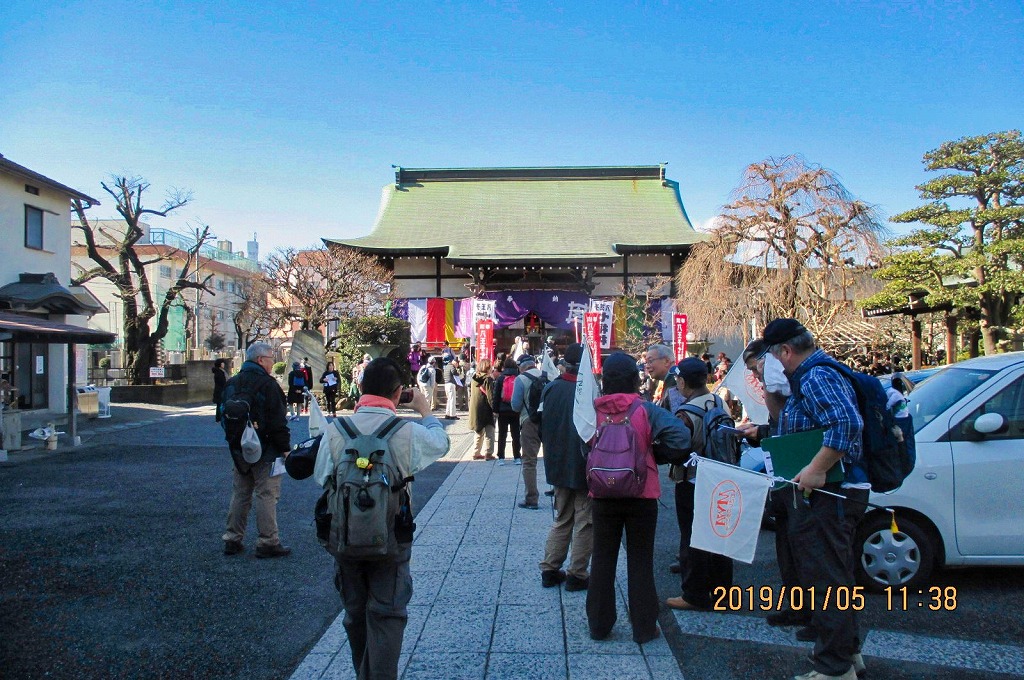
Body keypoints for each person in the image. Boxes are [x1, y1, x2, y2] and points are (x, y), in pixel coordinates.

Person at [313, 357, 450, 680]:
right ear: (399, 392)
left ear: (360, 388)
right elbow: (441, 444)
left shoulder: (336, 430)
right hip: (391, 537)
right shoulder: (406, 431)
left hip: (344, 538)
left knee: (355, 613)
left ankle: (364, 673)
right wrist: (425, 410)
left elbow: (322, 477)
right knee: (387, 614)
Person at [761, 318, 868, 680]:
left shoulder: (816, 375)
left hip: (829, 491)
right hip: (829, 491)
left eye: (773, 358)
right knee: (835, 575)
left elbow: (847, 424)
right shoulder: (813, 375)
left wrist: (817, 468)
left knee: (827, 580)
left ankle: (834, 668)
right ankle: (848, 654)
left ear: (786, 352)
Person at [586, 352, 691, 644]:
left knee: (603, 556)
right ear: (635, 379)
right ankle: (644, 628)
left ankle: (599, 624)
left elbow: (582, 445)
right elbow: (681, 438)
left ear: (604, 380)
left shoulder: (590, 410)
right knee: (640, 560)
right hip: (641, 494)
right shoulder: (645, 410)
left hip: (602, 493)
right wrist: (652, 455)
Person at [665, 358, 734, 611]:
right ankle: (723, 594)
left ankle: (694, 594)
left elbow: (676, 449)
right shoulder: (719, 402)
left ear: (682, 382)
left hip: (692, 480)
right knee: (719, 537)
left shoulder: (686, 413)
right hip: (720, 477)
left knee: (692, 537)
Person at [221, 342, 292, 558]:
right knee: (266, 494)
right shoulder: (268, 385)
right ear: (261, 360)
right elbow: (278, 422)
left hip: (239, 448)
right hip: (267, 448)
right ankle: (267, 541)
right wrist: (286, 450)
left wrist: (235, 442)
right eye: (271, 358)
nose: (274, 362)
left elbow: (222, 415)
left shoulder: (232, 383)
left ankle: (232, 539)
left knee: (241, 493)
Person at [538, 343, 592, 590]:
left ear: (564, 364)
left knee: (562, 517)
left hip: (557, 462)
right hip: (584, 462)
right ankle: (577, 574)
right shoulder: (590, 391)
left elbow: (543, 425)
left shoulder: (551, 388)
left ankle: (550, 568)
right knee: (585, 520)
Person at [510, 353, 544, 508]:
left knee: (529, 461)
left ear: (521, 366)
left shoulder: (521, 379)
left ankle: (532, 498)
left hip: (529, 421)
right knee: (553, 458)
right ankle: (559, 498)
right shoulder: (547, 375)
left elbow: (515, 405)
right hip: (548, 420)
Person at [490, 357, 522, 465]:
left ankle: (501, 457)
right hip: (515, 410)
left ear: (504, 367)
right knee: (516, 434)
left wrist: (495, 410)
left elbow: (496, 395)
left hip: (503, 410)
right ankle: (517, 456)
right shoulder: (518, 377)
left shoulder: (500, 378)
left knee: (502, 434)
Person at [469, 358, 496, 460]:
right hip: (486, 408)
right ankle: (488, 453)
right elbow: (490, 396)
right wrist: (494, 409)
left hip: (475, 408)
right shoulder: (487, 379)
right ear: (487, 367)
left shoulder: (474, 378)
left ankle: (475, 452)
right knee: (490, 431)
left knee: (478, 430)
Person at [644, 344, 675, 409]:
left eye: (650, 361)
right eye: (646, 362)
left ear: (667, 361)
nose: (647, 366)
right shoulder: (672, 380)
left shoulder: (676, 385)